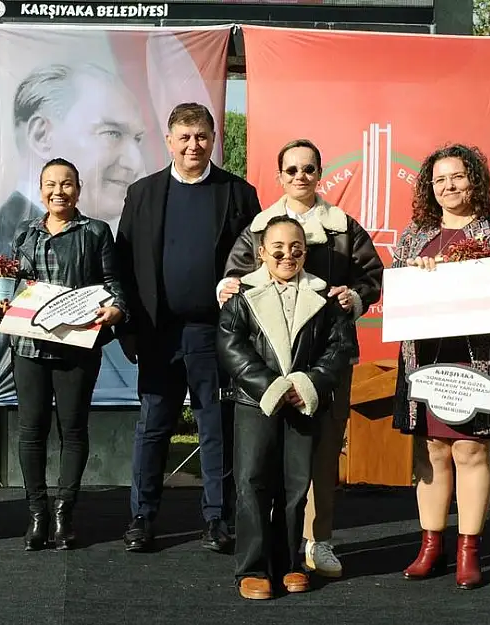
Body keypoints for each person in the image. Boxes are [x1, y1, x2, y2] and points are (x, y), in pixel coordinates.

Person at [218, 139, 384, 577]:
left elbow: (371, 275)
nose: (300, 177)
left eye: (308, 169)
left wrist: (357, 297)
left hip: (322, 360)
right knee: (258, 468)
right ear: (279, 176)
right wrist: (225, 289)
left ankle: (319, 540)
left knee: (322, 453)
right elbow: (234, 282)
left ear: (319, 172)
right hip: (267, 366)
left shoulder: (344, 226)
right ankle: (263, 558)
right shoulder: (256, 227)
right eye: (291, 170)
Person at [116, 102, 261, 553]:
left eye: (201, 136)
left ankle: (217, 519)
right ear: (169, 140)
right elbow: (122, 262)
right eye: (184, 136)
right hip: (158, 333)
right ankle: (142, 517)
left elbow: (256, 265)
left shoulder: (238, 193)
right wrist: (128, 330)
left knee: (214, 426)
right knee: (153, 426)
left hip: (214, 334)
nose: (193, 145)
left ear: (213, 138)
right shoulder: (142, 193)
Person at [392, 144, 490, 590]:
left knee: (471, 450)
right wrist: (416, 274)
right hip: (427, 358)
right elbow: (395, 285)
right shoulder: (415, 233)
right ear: (429, 188)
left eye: (456, 177)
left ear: (474, 178)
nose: (448, 186)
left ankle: (470, 549)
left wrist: (473, 275)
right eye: (439, 180)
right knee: (432, 452)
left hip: (480, 358)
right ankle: (430, 546)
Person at [0, 158, 128, 551]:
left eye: (66, 184)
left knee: (73, 429)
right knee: (31, 431)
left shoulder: (96, 232)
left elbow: (115, 285)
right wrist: (0, 304)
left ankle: (65, 513)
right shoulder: (24, 233)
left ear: (79, 190)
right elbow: (11, 284)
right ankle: (37, 514)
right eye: (50, 184)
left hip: (76, 345)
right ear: (40, 189)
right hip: (28, 347)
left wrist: (116, 308)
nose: (58, 191)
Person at [217, 215, 355, 600]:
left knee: (296, 487)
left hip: (303, 405)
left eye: (295, 247)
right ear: (262, 252)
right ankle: (253, 568)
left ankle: (290, 563)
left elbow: (340, 348)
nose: (286, 254)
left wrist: (305, 384)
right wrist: (271, 386)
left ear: (305, 252)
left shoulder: (326, 297)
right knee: (252, 484)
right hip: (255, 404)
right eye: (277, 247)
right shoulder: (241, 296)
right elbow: (231, 347)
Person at [0, 63, 147, 257]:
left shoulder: (102, 235)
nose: (136, 162)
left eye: (138, 139)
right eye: (112, 133)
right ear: (42, 136)